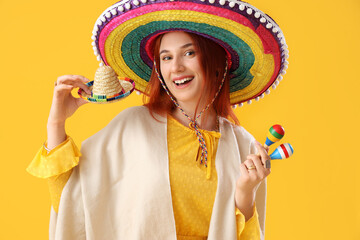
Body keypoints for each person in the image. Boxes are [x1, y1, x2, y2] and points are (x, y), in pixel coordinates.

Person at [27, 0, 288, 239]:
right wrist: (56, 124)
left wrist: (245, 194)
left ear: (218, 61)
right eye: (166, 57)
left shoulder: (245, 146)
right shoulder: (132, 127)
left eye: (189, 53)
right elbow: (72, 205)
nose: (176, 67)